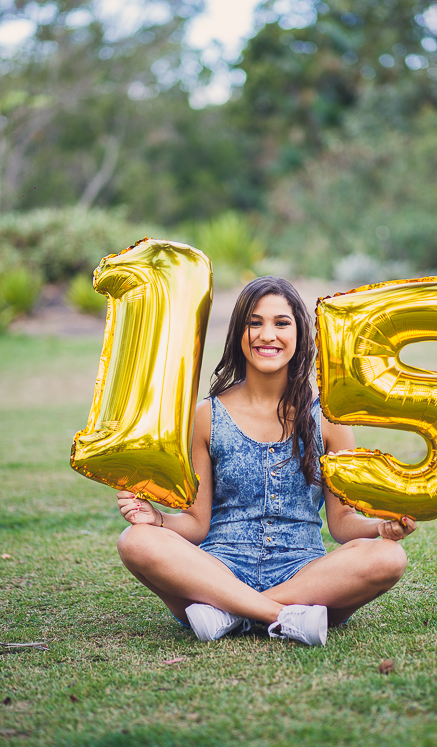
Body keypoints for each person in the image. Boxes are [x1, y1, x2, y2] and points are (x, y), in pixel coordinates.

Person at [117, 276, 416, 647]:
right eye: (254, 323)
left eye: (281, 323)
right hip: (219, 570)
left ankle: (228, 613)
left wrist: (380, 529)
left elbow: (341, 525)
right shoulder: (206, 416)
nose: (266, 335)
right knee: (136, 540)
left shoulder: (330, 419)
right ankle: (283, 617)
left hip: (304, 573)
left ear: (300, 333)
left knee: (389, 558)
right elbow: (196, 523)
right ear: (238, 334)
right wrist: (156, 520)